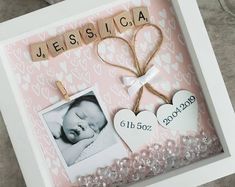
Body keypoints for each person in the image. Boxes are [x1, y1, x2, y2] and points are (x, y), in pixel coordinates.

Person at [48, 95, 107, 166]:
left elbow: (61, 164)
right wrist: (46, 127)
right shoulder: (50, 120)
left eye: (91, 127)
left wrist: (83, 143)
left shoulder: (79, 151)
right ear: (66, 113)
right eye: (79, 116)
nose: (83, 125)